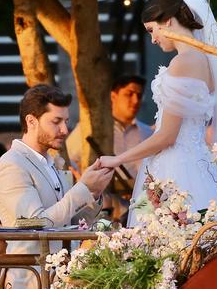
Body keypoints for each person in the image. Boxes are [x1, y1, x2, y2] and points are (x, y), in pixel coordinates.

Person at [98, 0, 217, 226]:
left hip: (177, 170)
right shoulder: (204, 60)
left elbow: (167, 135)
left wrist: (117, 159)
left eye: (152, 30)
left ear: (168, 21)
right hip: (199, 165)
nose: (153, 39)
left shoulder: (183, 63)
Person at [0, 85, 113, 289]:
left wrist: (93, 193)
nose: (65, 130)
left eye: (66, 121)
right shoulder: (12, 164)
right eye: (56, 122)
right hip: (32, 283)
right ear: (31, 121)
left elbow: (70, 221)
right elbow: (35, 224)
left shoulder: (51, 162)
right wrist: (83, 189)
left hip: (65, 280)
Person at [66, 75, 154, 222]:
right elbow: (68, 160)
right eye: (129, 94)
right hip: (99, 209)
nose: (135, 100)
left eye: (139, 95)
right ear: (113, 96)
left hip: (140, 211)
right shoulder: (91, 130)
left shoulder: (148, 133)